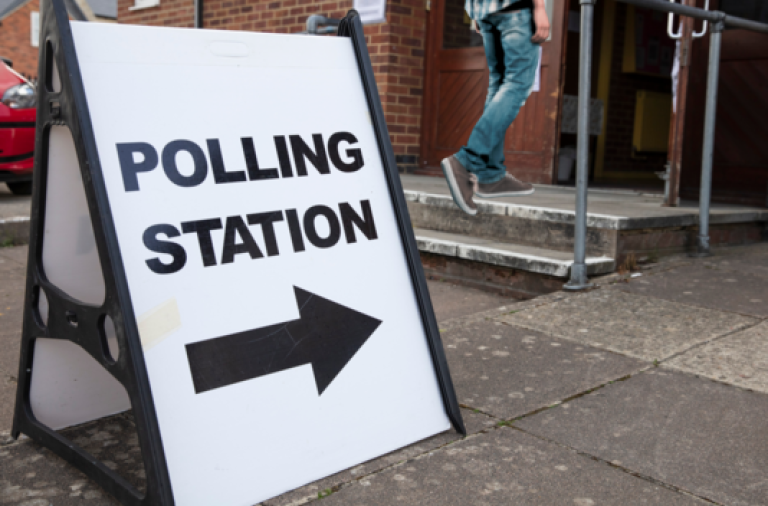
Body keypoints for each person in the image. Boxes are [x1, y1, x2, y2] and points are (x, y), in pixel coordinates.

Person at [441, 0, 550, 215]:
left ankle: (490, 174)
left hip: (486, 11)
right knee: (517, 83)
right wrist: (539, 6)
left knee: (499, 84)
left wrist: (475, 11)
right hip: (516, 9)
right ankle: (468, 159)